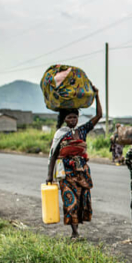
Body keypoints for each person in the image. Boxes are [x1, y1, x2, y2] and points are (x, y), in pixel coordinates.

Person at [46, 87, 103, 239]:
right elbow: (53, 156)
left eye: (75, 117)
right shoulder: (60, 134)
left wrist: (97, 96)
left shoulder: (82, 131)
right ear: (65, 119)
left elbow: (99, 115)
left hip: (82, 172)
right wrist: (49, 176)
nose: (73, 120)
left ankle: (77, 228)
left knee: (81, 201)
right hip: (66, 173)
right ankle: (75, 232)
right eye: (70, 117)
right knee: (69, 200)